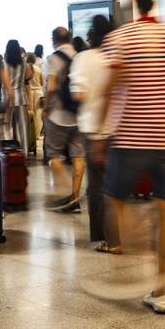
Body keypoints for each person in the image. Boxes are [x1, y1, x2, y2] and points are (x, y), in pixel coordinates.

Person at [99, 0, 165, 315]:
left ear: (133, 4)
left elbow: (110, 89)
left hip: (132, 136)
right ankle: (162, 290)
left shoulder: (122, 38)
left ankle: (136, 245)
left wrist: (101, 132)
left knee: (114, 201)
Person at [71, 16, 114, 247]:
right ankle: (118, 234)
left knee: (97, 185)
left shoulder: (83, 59)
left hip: (92, 128)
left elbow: (79, 94)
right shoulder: (115, 57)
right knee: (114, 183)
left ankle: (103, 235)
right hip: (116, 129)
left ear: (91, 35)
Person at [43, 27, 84, 212]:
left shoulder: (54, 58)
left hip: (58, 115)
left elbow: (51, 87)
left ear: (54, 40)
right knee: (78, 156)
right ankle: (75, 197)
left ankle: (65, 193)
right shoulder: (80, 56)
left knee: (54, 156)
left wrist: (46, 107)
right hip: (78, 115)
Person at [4, 40, 29, 148]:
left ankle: (7, 151)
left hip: (6, 97)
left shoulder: (3, 62)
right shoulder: (23, 62)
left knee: (6, 126)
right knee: (22, 127)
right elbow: (28, 76)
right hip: (21, 96)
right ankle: (23, 152)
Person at [25, 52, 44, 155]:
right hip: (38, 92)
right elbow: (42, 82)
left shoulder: (25, 68)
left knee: (29, 115)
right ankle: (36, 136)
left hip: (29, 92)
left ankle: (30, 136)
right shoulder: (38, 69)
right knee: (38, 116)